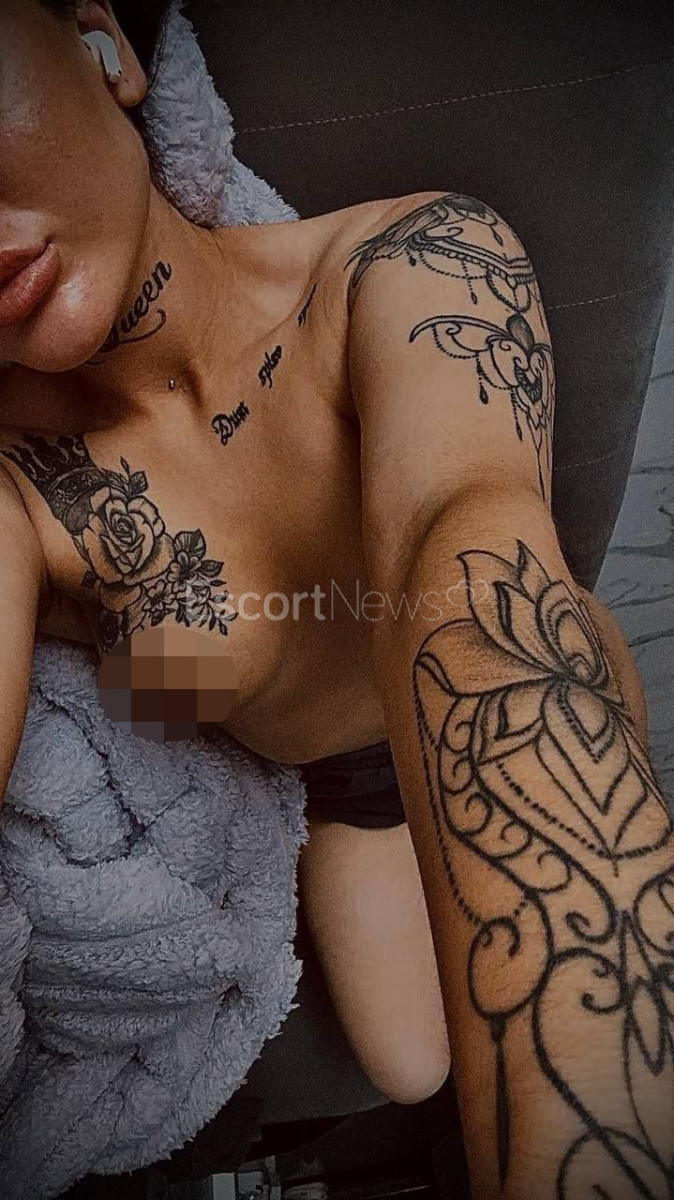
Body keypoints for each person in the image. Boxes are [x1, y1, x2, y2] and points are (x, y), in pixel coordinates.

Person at [0, 3, 672, 1197]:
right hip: (334, 783)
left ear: (101, 46)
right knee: (411, 1066)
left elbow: (464, 539)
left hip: (473, 702)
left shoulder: (410, 268)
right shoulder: (18, 493)